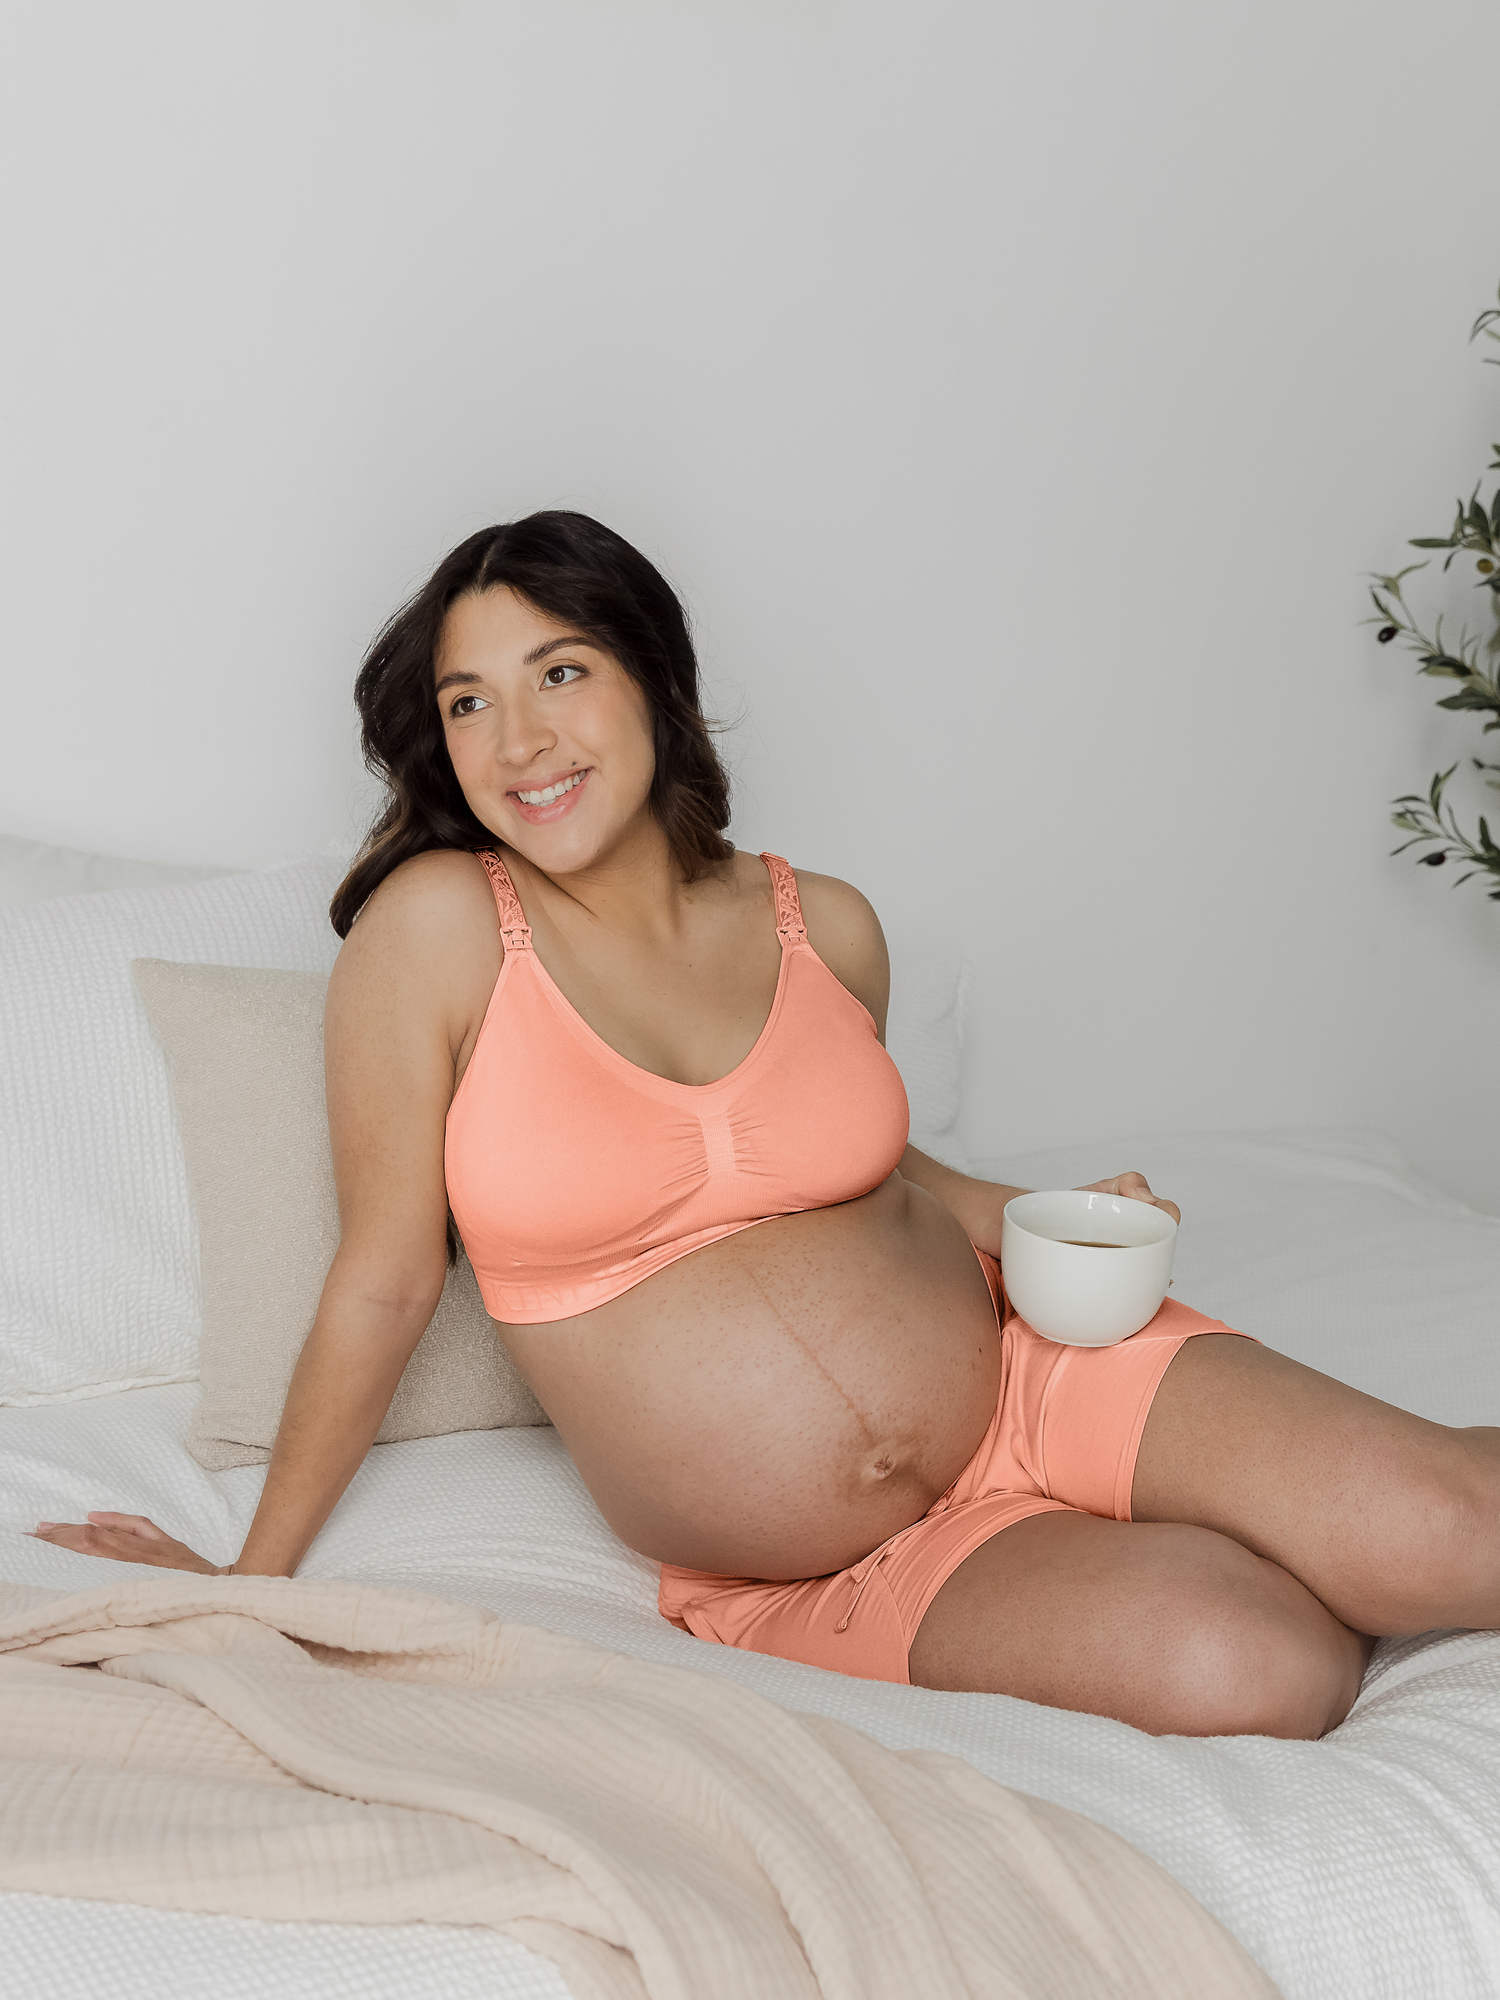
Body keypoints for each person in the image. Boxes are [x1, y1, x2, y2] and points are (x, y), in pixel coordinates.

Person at [35, 511, 1500, 1738]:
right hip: (827, 1565)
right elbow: (385, 1277)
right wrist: (254, 1579)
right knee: (1269, 1670)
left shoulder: (824, 924)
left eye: (560, 671)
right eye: (469, 700)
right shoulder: (436, 935)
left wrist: (1044, 1215)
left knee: (1455, 1534)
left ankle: (1350, 1501)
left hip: (1042, 1366)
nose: (517, 736)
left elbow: (869, 1172)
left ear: (655, 683)